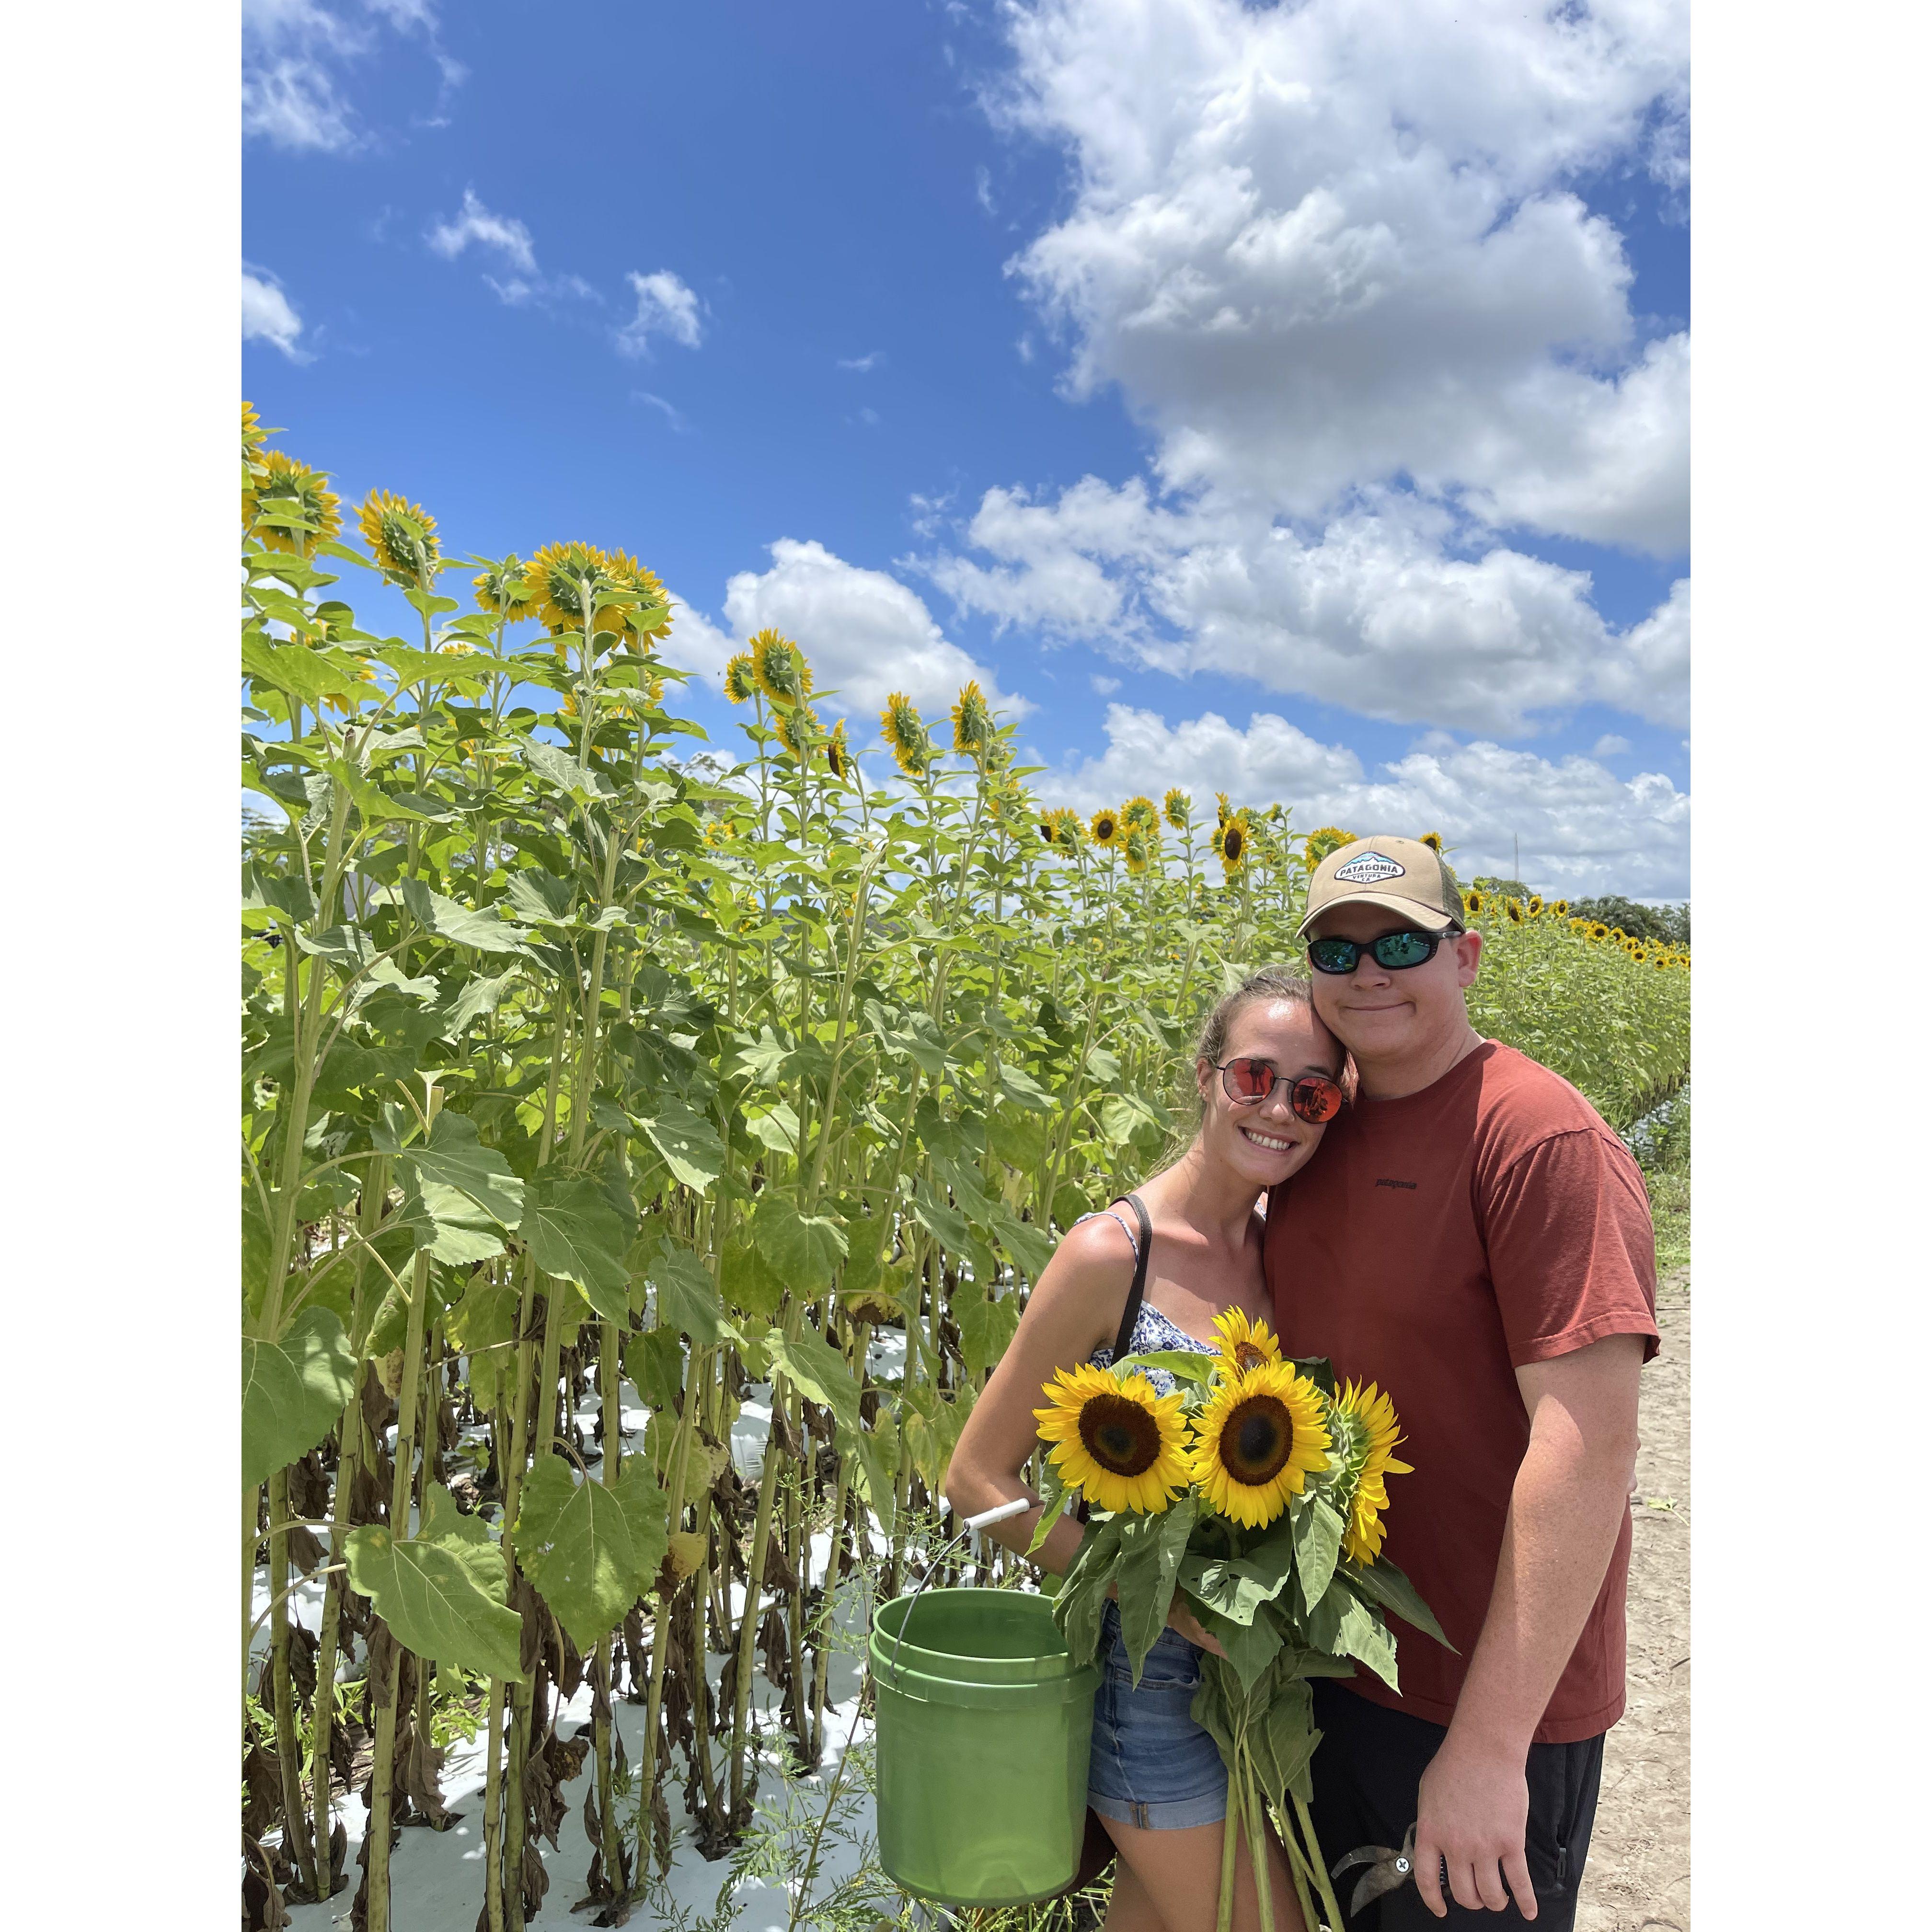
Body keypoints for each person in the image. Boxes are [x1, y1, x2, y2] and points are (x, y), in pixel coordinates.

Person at [1265, 837, 1659, 1930]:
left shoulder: (1538, 1137)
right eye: (1336, 952)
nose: (1368, 973)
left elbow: (1589, 1449)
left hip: (1483, 1697)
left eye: (1401, 942)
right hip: (1330, 1667)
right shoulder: (1313, 1128)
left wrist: (1489, 1750)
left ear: (1467, 957)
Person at [948, 966, 1348, 1932]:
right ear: (1205, 1074)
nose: (1281, 1111)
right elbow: (972, 1479)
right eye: (1256, 1077)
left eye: (1313, 1095)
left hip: (1246, 1688)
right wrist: (1149, 1592)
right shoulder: (1111, 1254)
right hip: (1147, 1696)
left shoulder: (1279, 1247)